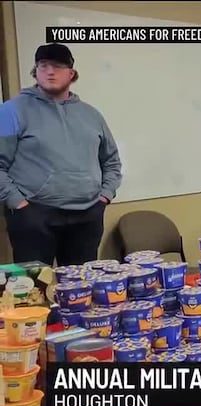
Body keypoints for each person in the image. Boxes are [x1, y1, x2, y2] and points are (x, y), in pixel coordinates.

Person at [0, 43, 122, 266]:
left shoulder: (91, 115)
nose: (49, 71)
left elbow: (111, 161)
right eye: (42, 65)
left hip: (87, 216)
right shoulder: (11, 111)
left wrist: (104, 196)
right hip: (34, 215)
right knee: (34, 289)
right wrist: (17, 203)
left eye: (57, 65)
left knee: (80, 290)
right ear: (35, 71)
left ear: (72, 73)